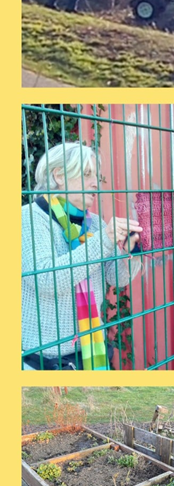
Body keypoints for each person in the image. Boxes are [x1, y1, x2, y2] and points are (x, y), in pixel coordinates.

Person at [22, 142, 142, 370]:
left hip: (89, 353)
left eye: (95, 175)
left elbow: (115, 278)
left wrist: (127, 251)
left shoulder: (94, 222)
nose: (95, 183)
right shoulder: (29, 218)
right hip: (43, 361)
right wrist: (104, 240)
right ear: (58, 176)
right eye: (87, 174)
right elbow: (47, 279)